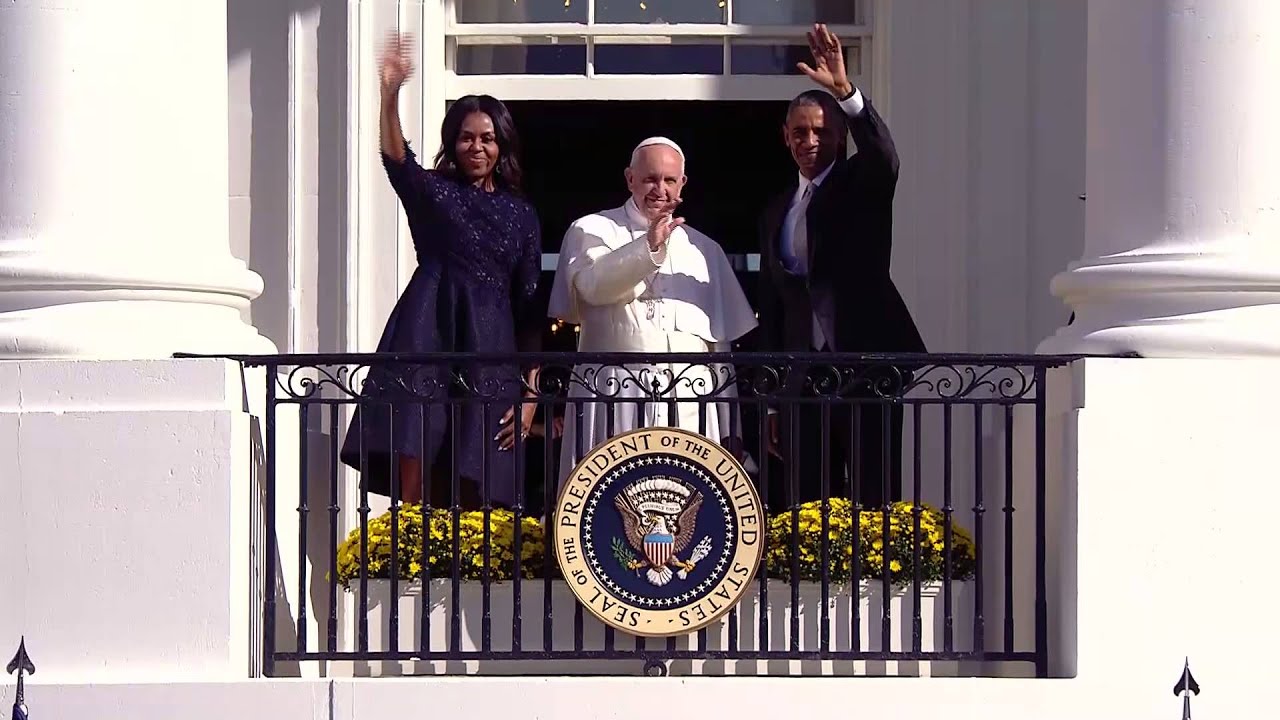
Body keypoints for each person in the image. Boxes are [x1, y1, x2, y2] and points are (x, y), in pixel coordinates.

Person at [340, 33, 542, 510]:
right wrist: (389, 95)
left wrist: (531, 397)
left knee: (483, 467)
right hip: (427, 330)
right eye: (468, 137)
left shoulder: (522, 214)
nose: (478, 147)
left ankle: (473, 572)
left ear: (502, 145)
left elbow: (531, 308)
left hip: (491, 343)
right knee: (418, 437)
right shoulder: (434, 193)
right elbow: (397, 160)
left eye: (488, 138)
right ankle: (407, 545)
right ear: (453, 142)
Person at [755, 24, 927, 512]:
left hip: (867, 366)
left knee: (873, 498)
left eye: (822, 131)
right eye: (801, 132)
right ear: (785, 138)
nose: (811, 140)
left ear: (839, 137)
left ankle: (875, 588)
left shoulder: (861, 183)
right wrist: (770, 395)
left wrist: (847, 94)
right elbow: (773, 304)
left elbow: (885, 156)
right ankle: (814, 587)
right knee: (806, 500)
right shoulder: (775, 210)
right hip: (801, 377)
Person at [547, 137, 757, 482]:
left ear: (682, 184)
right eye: (649, 179)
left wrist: (731, 429)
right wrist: (648, 246)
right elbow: (592, 287)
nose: (659, 189)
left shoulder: (707, 250)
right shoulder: (591, 229)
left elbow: (719, 352)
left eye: (669, 180)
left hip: (690, 401)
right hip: (614, 396)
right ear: (630, 178)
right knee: (609, 504)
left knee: (688, 506)